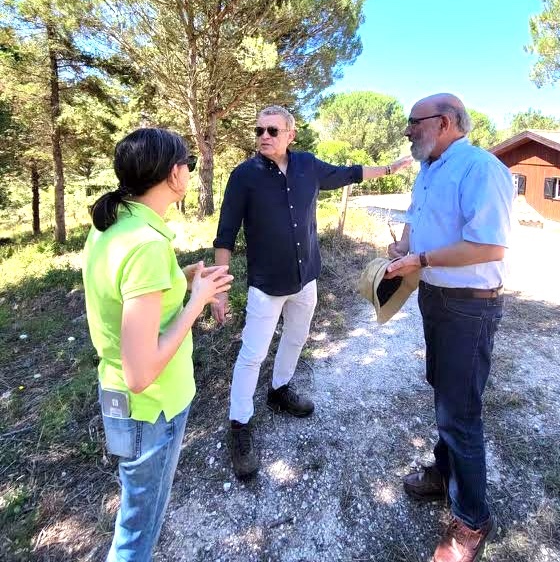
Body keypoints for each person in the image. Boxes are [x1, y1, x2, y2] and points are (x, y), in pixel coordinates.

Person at [212, 105, 412, 479]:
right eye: (259, 131)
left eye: (272, 130)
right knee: (252, 354)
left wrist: (389, 169)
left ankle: (280, 390)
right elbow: (224, 236)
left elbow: (348, 173)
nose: (264, 137)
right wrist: (220, 290)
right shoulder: (244, 176)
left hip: (306, 279)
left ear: (291, 133)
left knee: (297, 337)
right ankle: (240, 426)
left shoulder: (307, 165)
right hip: (267, 285)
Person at [82, 128, 233, 562]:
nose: (190, 168)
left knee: (134, 513)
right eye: (188, 162)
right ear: (174, 174)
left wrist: (180, 279)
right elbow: (141, 371)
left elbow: (126, 295)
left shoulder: (115, 225)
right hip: (152, 408)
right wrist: (198, 301)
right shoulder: (147, 245)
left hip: (123, 402)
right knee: (137, 531)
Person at [384, 94, 513, 562]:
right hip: (436, 297)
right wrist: (405, 247)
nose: (407, 132)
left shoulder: (480, 169)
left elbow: (489, 247)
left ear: (444, 122)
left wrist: (420, 259)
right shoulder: (430, 168)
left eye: (413, 123)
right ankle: (445, 473)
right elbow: (428, 228)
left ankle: (472, 520)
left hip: (469, 307)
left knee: (459, 412)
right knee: (444, 394)